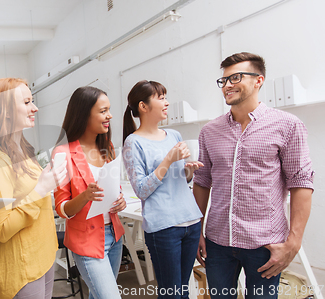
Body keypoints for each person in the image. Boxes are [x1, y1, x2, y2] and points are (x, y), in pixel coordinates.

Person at [193, 52, 314, 298]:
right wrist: (198, 231)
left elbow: (301, 183)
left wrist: (293, 242)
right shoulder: (209, 131)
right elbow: (202, 182)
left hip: (265, 243)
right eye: (223, 80)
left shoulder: (287, 125)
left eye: (235, 77)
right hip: (218, 241)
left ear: (258, 80)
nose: (227, 85)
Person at [0, 78, 67, 299]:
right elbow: (2, 229)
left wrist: (51, 183)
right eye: (27, 102)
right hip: (22, 269)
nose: (34, 108)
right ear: (5, 110)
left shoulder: (24, 150)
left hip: (43, 256)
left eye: (32, 101)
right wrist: (41, 189)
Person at [122, 80, 204, 299]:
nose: (167, 103)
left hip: (191, 221)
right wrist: (167, 160)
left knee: (183, 290)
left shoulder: (174, 135)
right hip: (164, 227)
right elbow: (141, 190)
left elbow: (179, 179)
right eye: (161, 98)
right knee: (171, 294)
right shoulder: (133, 143)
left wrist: (189, 171)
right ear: (143, 106)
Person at [53, 86, 127, 299]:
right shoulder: (63, 153)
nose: (110, 115)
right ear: (85, 114)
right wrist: (85, 195)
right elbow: (62, 209)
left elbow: (113, 187)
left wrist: (119, 200)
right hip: (86, 240)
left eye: (109, 110)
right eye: (103, 111)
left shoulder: (107, 146)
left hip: (114, 235)